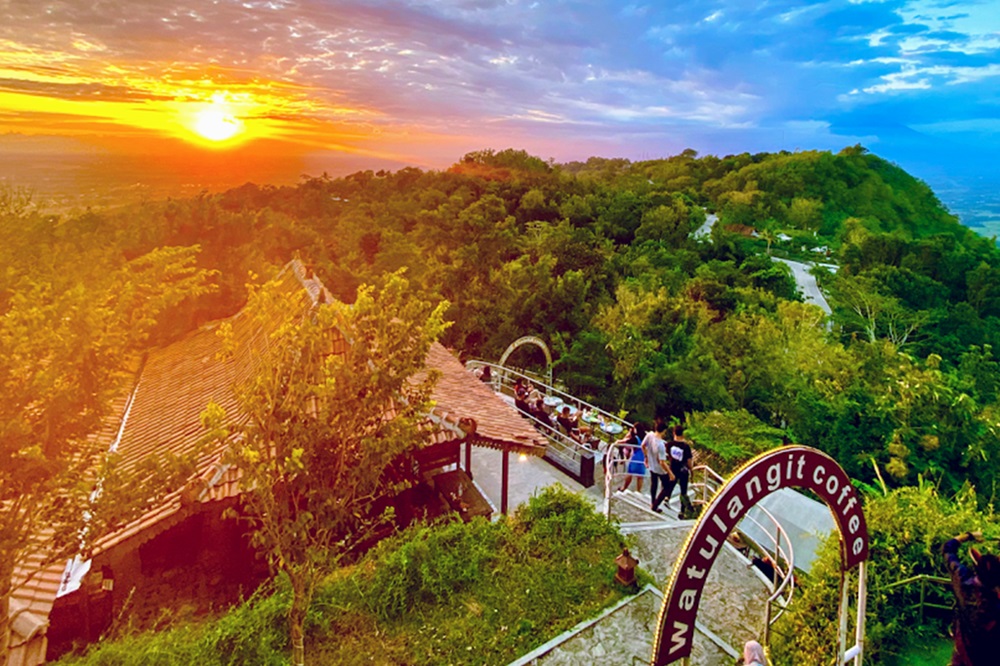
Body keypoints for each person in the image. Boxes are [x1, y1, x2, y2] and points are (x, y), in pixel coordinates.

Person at [942, 530, 1000, 665]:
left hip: (962, 652)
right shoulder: (995, 606)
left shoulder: (962, 581)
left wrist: (970, 536)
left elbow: (947, 548)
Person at [642, 419, 671, 514]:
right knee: (667, 487)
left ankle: (652, 502)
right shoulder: (661, 445)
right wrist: (670, 473)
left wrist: (646, 457)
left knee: (654, 484)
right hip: (660, 469)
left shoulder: (649, 435)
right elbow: (662, 462)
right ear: (663, 431)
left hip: (651, 465)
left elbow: (642, 445)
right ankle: (655, 505)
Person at [667, 424, 695, 519]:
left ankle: (666, 498)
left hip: (673, 468)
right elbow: (689, 460)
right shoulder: (686, 446)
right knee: (684, 491)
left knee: (670, 484)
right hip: (683, 470)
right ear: (682, 434)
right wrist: (691, 470)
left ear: (674, 433)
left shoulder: (669, 444)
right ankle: (682, 511)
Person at [617, 422, 648, 493]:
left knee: (630, 473)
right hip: (643, 458)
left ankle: (624, 488)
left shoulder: (636, 439)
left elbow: (626, 441)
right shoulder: (646, 437)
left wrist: (619, 441)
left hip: (635, 457)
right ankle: (638, 491)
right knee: (640, 477)